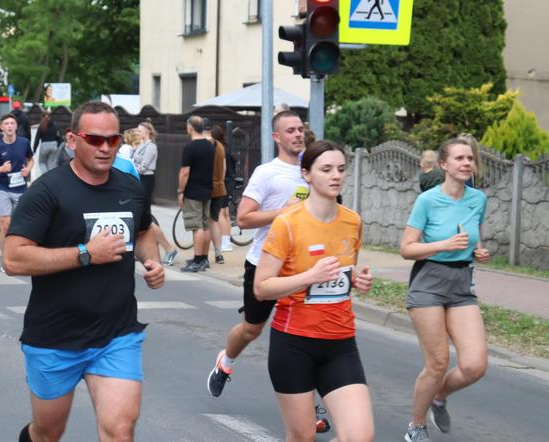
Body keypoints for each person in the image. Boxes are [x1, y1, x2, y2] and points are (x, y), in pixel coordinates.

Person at [2, 101, 165, 442]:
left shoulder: (130, 188)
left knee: (120, 431)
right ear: (73, 141)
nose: (105, 148)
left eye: (113, 140)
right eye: (95, 139)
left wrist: (152, 262)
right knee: (48, 432)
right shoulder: (46, 191)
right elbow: (13, 259)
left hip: (116, 334)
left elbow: (144, 231)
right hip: (54, 336)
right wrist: (84, 254)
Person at [254, 140, 375, 442]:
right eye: (326, 169)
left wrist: (357, 280)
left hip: (340, 343)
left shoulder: (352, 221)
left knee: (359, 436)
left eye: (341, 169)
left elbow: (343, 274)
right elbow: (262, 287)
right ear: (306, 174)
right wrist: (309, 276)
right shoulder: (287, 224)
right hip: (294, 344)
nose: (336, 175)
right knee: (302, 437)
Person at [207, 110, 308, 396]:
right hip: (264, 264)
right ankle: (225, 362)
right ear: (277, 137)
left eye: (300, 129)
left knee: (306, 338)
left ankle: (310, 404)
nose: (298, 134)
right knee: (251, 330)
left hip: (301, 267)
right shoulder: (267, 172)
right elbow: (245, 219)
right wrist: (284, 213)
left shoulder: (313, 172)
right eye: (290, 130)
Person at [400, 137, 490, 442]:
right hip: (429, 283)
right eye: (459, 158)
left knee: (475, 365)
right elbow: (406, 249)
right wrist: (443, 245)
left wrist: (478, 250)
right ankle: (416, 426)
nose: (466, 163)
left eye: (470, 159)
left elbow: (473, 235)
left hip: (462, 284)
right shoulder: (428, 200)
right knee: (437, 362)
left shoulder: (478, 199)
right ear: (444, 165)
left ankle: (438, 396)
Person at [0, 113, 34, 255]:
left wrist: (28, 169)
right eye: (6, 124)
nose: (10, 126)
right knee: (5, 225)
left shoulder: (24, 143)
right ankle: (6, 257)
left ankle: (19, 253)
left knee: (20, 225)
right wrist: (1, 169)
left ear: (16, 126)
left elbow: (31, 159)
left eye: (12, 123)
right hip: (2, 189)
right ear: (1, 127)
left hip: (21, 189)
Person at [133, 121, 177, 266]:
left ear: (147, 132)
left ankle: (169, 249)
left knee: (146, 217)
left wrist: (131, 168)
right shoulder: (140, 145)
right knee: (141, 216)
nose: (138, 133)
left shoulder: (151, 147)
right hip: (139, 179)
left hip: (146, 179)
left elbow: (143, 166)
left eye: (140, 131)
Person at [178, 116, 215, 272]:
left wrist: (180, 190)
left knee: (196, 226)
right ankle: (204, 258)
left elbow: (185, 171)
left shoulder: (190, 147)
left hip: (193, 191)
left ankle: (197, 259)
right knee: (206, 225)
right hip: (207, 189)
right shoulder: (210, 146)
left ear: (190, 128)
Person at [202, 118, 227, 264]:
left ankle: (202, 256)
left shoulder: (202, 145)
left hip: (205, 188)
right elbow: (223, 168)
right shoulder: (220, 146)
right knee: (214, 221)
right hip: (219, 187)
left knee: (203, 223)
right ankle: (218, 253)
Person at [211, 124, 235, 253]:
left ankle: (225, 242)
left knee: (221, 213)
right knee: (225, 213)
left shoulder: (219, 149)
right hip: (228, 181)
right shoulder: (226, 148)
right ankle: (226, 241)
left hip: (223, 182)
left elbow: (223, 168)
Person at [33, 111, 62, 175]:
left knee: (41, 162)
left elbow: (37, 139)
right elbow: (59, 137)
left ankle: (46, 176)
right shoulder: (55, 125)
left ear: (42, 117)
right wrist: (59, 146)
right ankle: (51, 177)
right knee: (51, 163)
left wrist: (34, 149)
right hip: (54, 145)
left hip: (44, 146)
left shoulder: (41, 126)